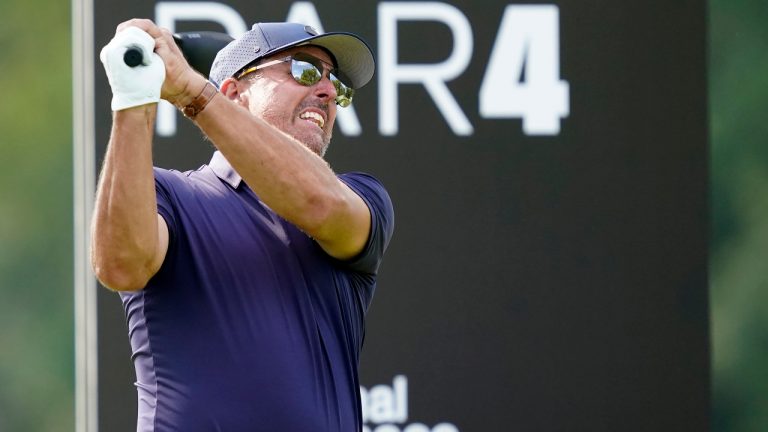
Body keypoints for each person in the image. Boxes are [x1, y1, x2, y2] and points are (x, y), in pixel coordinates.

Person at [91, 18, 394, 432]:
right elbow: (120, 265)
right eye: (304, 70)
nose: (326, 92)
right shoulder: (167, 195)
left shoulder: (361, 195)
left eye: (335, 85)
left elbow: (317, 203)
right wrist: (134, 96)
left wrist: (193, 93)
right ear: (234, 93)